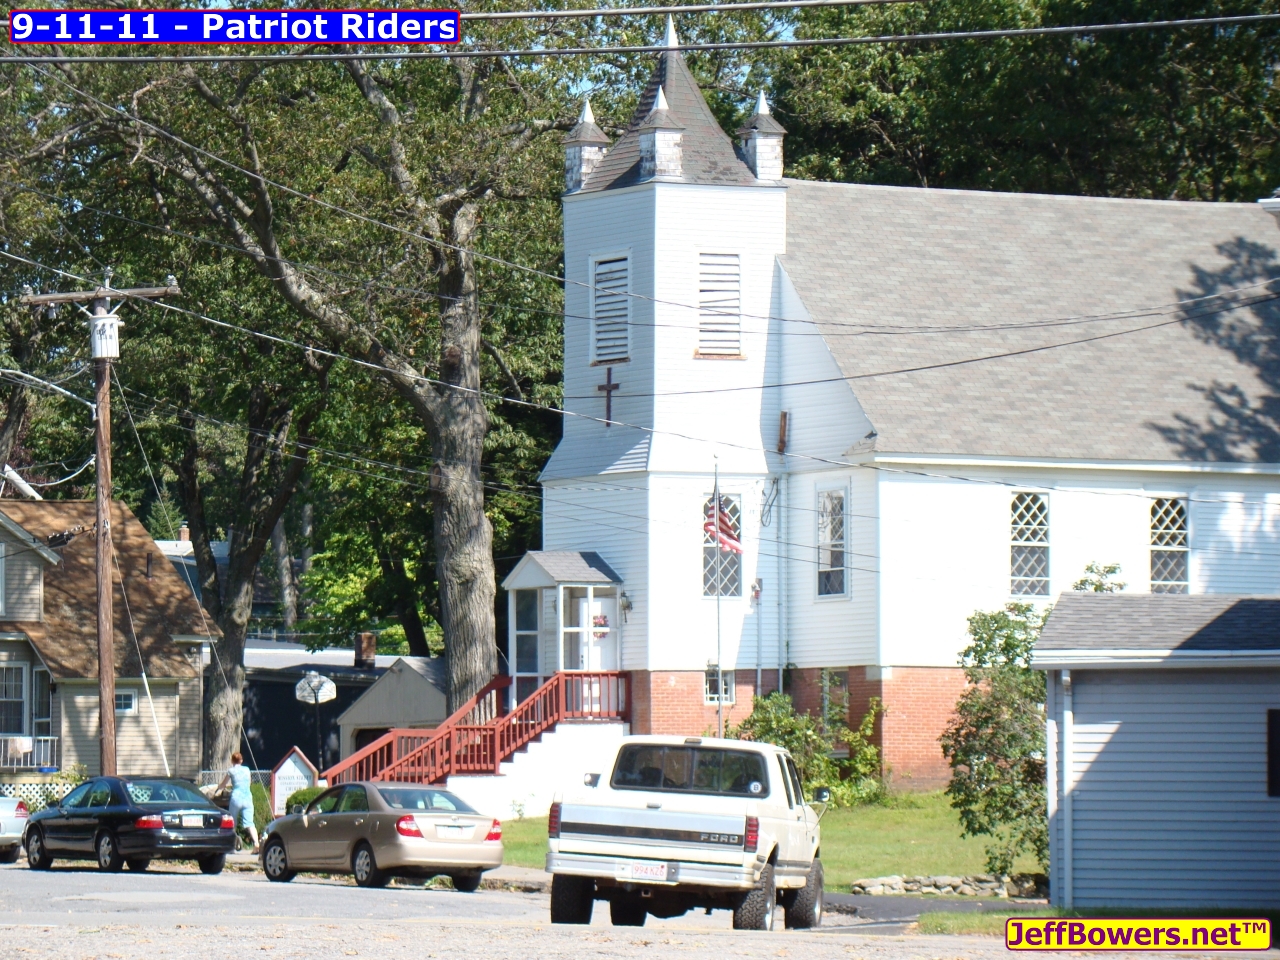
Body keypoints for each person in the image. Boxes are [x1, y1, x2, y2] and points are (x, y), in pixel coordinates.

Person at [218, 752, 258, 853]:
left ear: (232, 761)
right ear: (241, 760)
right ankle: (256, 843)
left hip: (236, 798)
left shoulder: (231, 771)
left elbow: (223, 785)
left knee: (232, 823)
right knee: (250, 823)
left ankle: (231, 846)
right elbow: (249, 783)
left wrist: (219, 788)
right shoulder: (247, 769)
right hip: (247, 797)